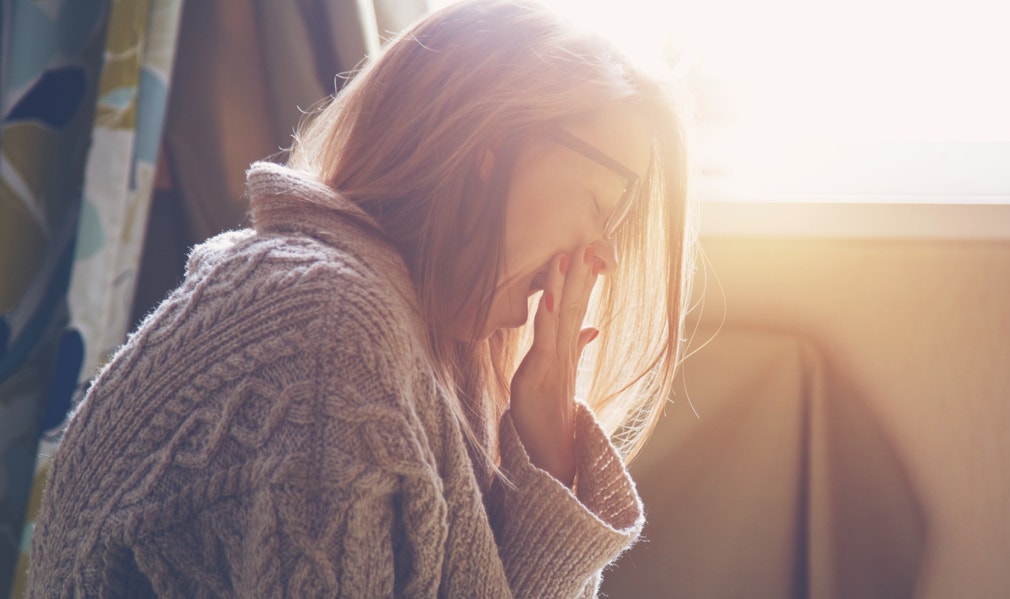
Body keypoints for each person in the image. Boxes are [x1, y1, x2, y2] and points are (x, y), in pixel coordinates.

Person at [25, 0, 694, 597]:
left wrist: (546, 465)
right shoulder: (328, 333)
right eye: (603, 206)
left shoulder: (409, 339)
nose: (601, 256)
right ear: (493, 139)